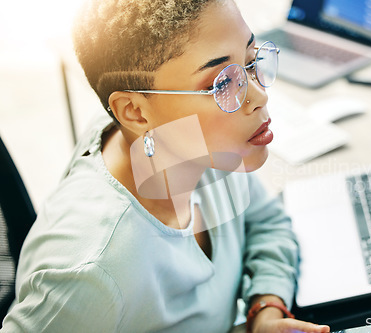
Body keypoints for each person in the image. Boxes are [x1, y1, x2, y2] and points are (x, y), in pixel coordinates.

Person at [1, 0, 331, 332]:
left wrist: (266, 308)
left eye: (250, 61)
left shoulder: (206, 147)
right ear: (135, 112)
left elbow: (266, 222)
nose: (259, 95)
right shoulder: (89, 271)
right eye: (221, 83)